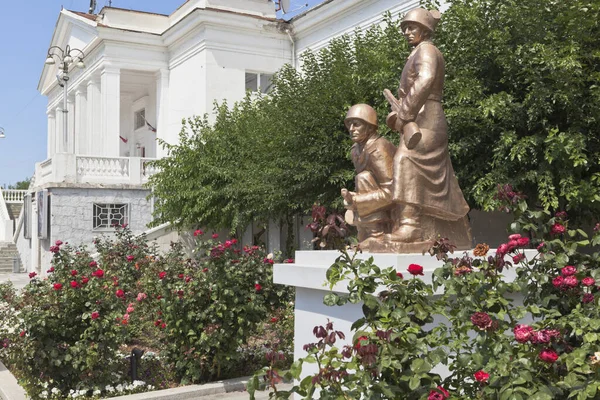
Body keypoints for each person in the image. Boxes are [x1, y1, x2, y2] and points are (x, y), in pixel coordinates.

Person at [386, 8, 470, 243]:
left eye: (412, 27)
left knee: (406, 160)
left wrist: (405, 112)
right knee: (404, 162)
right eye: (405, 28)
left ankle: (411, 225)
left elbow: (425, 80)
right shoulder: (417, 52)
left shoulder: (427, 50)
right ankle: (411, 222)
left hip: (427, 117)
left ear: (425, 29)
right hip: (417, 116)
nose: (407, 32)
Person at [341, 104, 397, 248]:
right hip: (374, 203)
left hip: (397, 209)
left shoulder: (378, 149)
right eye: (349, 124)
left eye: (356, 124)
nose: (351, 129)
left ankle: (377, 234)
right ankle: (365, 232)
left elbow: (392, 191)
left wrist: (356, 200)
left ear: (370, 127)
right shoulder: (356, 149)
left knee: (363, 177)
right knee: (362, 178)